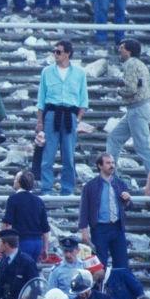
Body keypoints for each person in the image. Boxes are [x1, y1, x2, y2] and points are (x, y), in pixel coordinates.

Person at [36, 39, 89, 195]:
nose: (55, 54)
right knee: (48, 155)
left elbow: (83, 99)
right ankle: (46, 188)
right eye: (54, 51)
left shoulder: (79, 73)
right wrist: (40, 121)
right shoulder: (47, 71)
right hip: (52, 114)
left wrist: (78, 119)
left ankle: (67, 189)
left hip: (70, 116)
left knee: (68, 156)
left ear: (67, 54)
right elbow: (41, 98)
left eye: (58, 52)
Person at [105, 39, 150, 169]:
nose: (119, 50)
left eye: (122, 48)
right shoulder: (140, 64)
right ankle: (110, 174)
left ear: (129, 51)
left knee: (143, 146)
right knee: (114, 138)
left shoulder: (130, 64)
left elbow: (131, 89)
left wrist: (118, 90)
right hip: (137, 108)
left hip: (137, 108)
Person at [0, 170, 49, 263]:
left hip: (22, 242)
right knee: (30, 273)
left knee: (17, 273)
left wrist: (3, 242)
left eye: (15, 179)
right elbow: (45, 229)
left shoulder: (13, 199)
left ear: (19, 182)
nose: (13, 181)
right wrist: (45, 248)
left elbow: (7, 224)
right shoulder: (39, 201)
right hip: (37, 243)